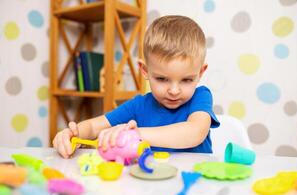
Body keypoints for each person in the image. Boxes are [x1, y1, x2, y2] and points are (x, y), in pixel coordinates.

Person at [53, 15, 220, 158]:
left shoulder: (201, 97)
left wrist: (137, 134)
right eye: (162, 78)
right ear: (145, 71)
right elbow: (93, 127)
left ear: (200, 72)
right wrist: (72, 134)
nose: (174, 91)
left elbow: (195, 132)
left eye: (186, 80)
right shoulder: (138, 105)